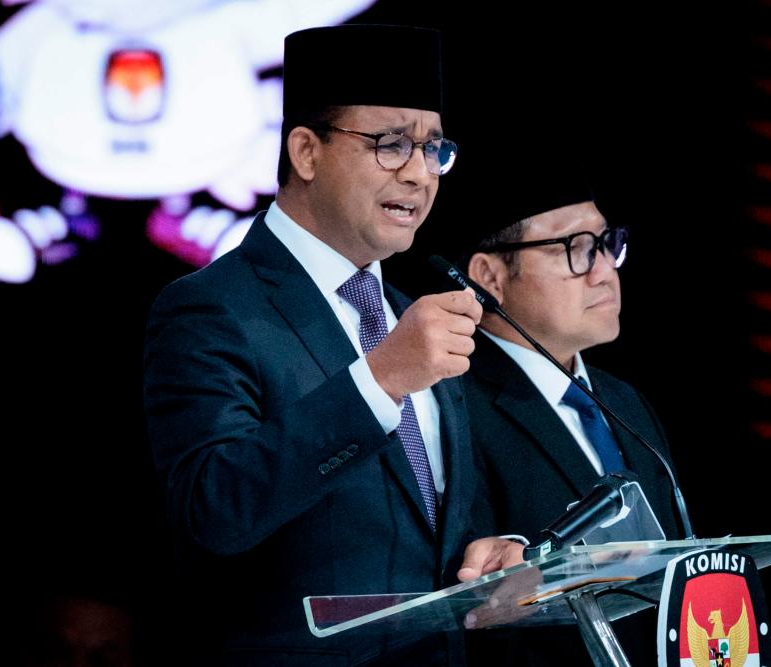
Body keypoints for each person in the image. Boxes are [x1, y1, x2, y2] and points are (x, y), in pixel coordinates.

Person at [142, 24, 523, 666]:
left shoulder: (408, 317)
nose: (419, 174)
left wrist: (490, 546)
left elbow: (429, 508)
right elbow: (215, 510)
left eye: (434, 150)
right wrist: (377, 381)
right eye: (391, 144)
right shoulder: (211, 307)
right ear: (306, 152)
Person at [457, 161, 687, 665]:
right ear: (490, 276)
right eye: (577, 249)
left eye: (607, 244)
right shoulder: (454, 404)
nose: (605, 270)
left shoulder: (624, 402)